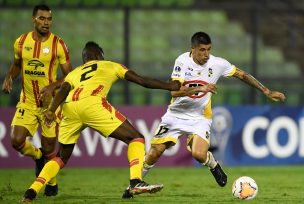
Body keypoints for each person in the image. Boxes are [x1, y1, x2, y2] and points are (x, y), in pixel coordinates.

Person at [20, 41, 216, 202]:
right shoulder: (110, 65)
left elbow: (63, 90)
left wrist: (52, 111)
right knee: (136, 139)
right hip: (92, 104)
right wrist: (169, 86)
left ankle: (31, 192)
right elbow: (142, 81)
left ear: (85, 58)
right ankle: (135, 182)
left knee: (61, 157)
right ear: (100, 55)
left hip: (70, 107)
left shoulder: (75, 72)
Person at [122, 31, 286, 198]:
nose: (206, 54)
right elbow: (174, 92)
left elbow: (242, 75)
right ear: (193, 49)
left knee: (199, 154)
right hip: (175, 115)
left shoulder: (217, 63)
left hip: (200, 116)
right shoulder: (182, 61)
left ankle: (214, 165)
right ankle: (132, 186)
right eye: (202, 50)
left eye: (208, 49)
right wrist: (200, 88)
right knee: (155, 152)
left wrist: (266, 91)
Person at [1, 4, 72, 196]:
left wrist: (52, 86)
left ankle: (52, 183)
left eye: (49, 19)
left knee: (50, 148)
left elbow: (70, 77)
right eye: (42, 18)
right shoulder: (21, 42)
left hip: (50, 105)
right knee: (16, 141)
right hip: (28, 102)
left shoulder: (58, 44)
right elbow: (17, 64)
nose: (46, 22)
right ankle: (37, 155)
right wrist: (9, 77)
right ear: (33, 19)